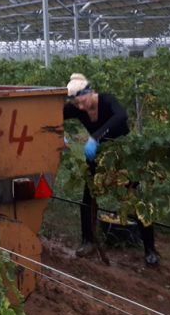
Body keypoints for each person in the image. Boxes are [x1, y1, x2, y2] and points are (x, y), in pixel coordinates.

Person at [63, 73, 160, 267]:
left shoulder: (107, 101)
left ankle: (150, 249)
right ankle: (88, 241)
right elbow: (50, 114)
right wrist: (59, 134)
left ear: (90, 92)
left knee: (135, 198)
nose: (80, 108)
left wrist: (96, 137)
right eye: (76, 105)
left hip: (122, 155)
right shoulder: (77, 107)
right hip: (97, 157)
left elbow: (121, 116)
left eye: (82, 102)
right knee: (88, 197)